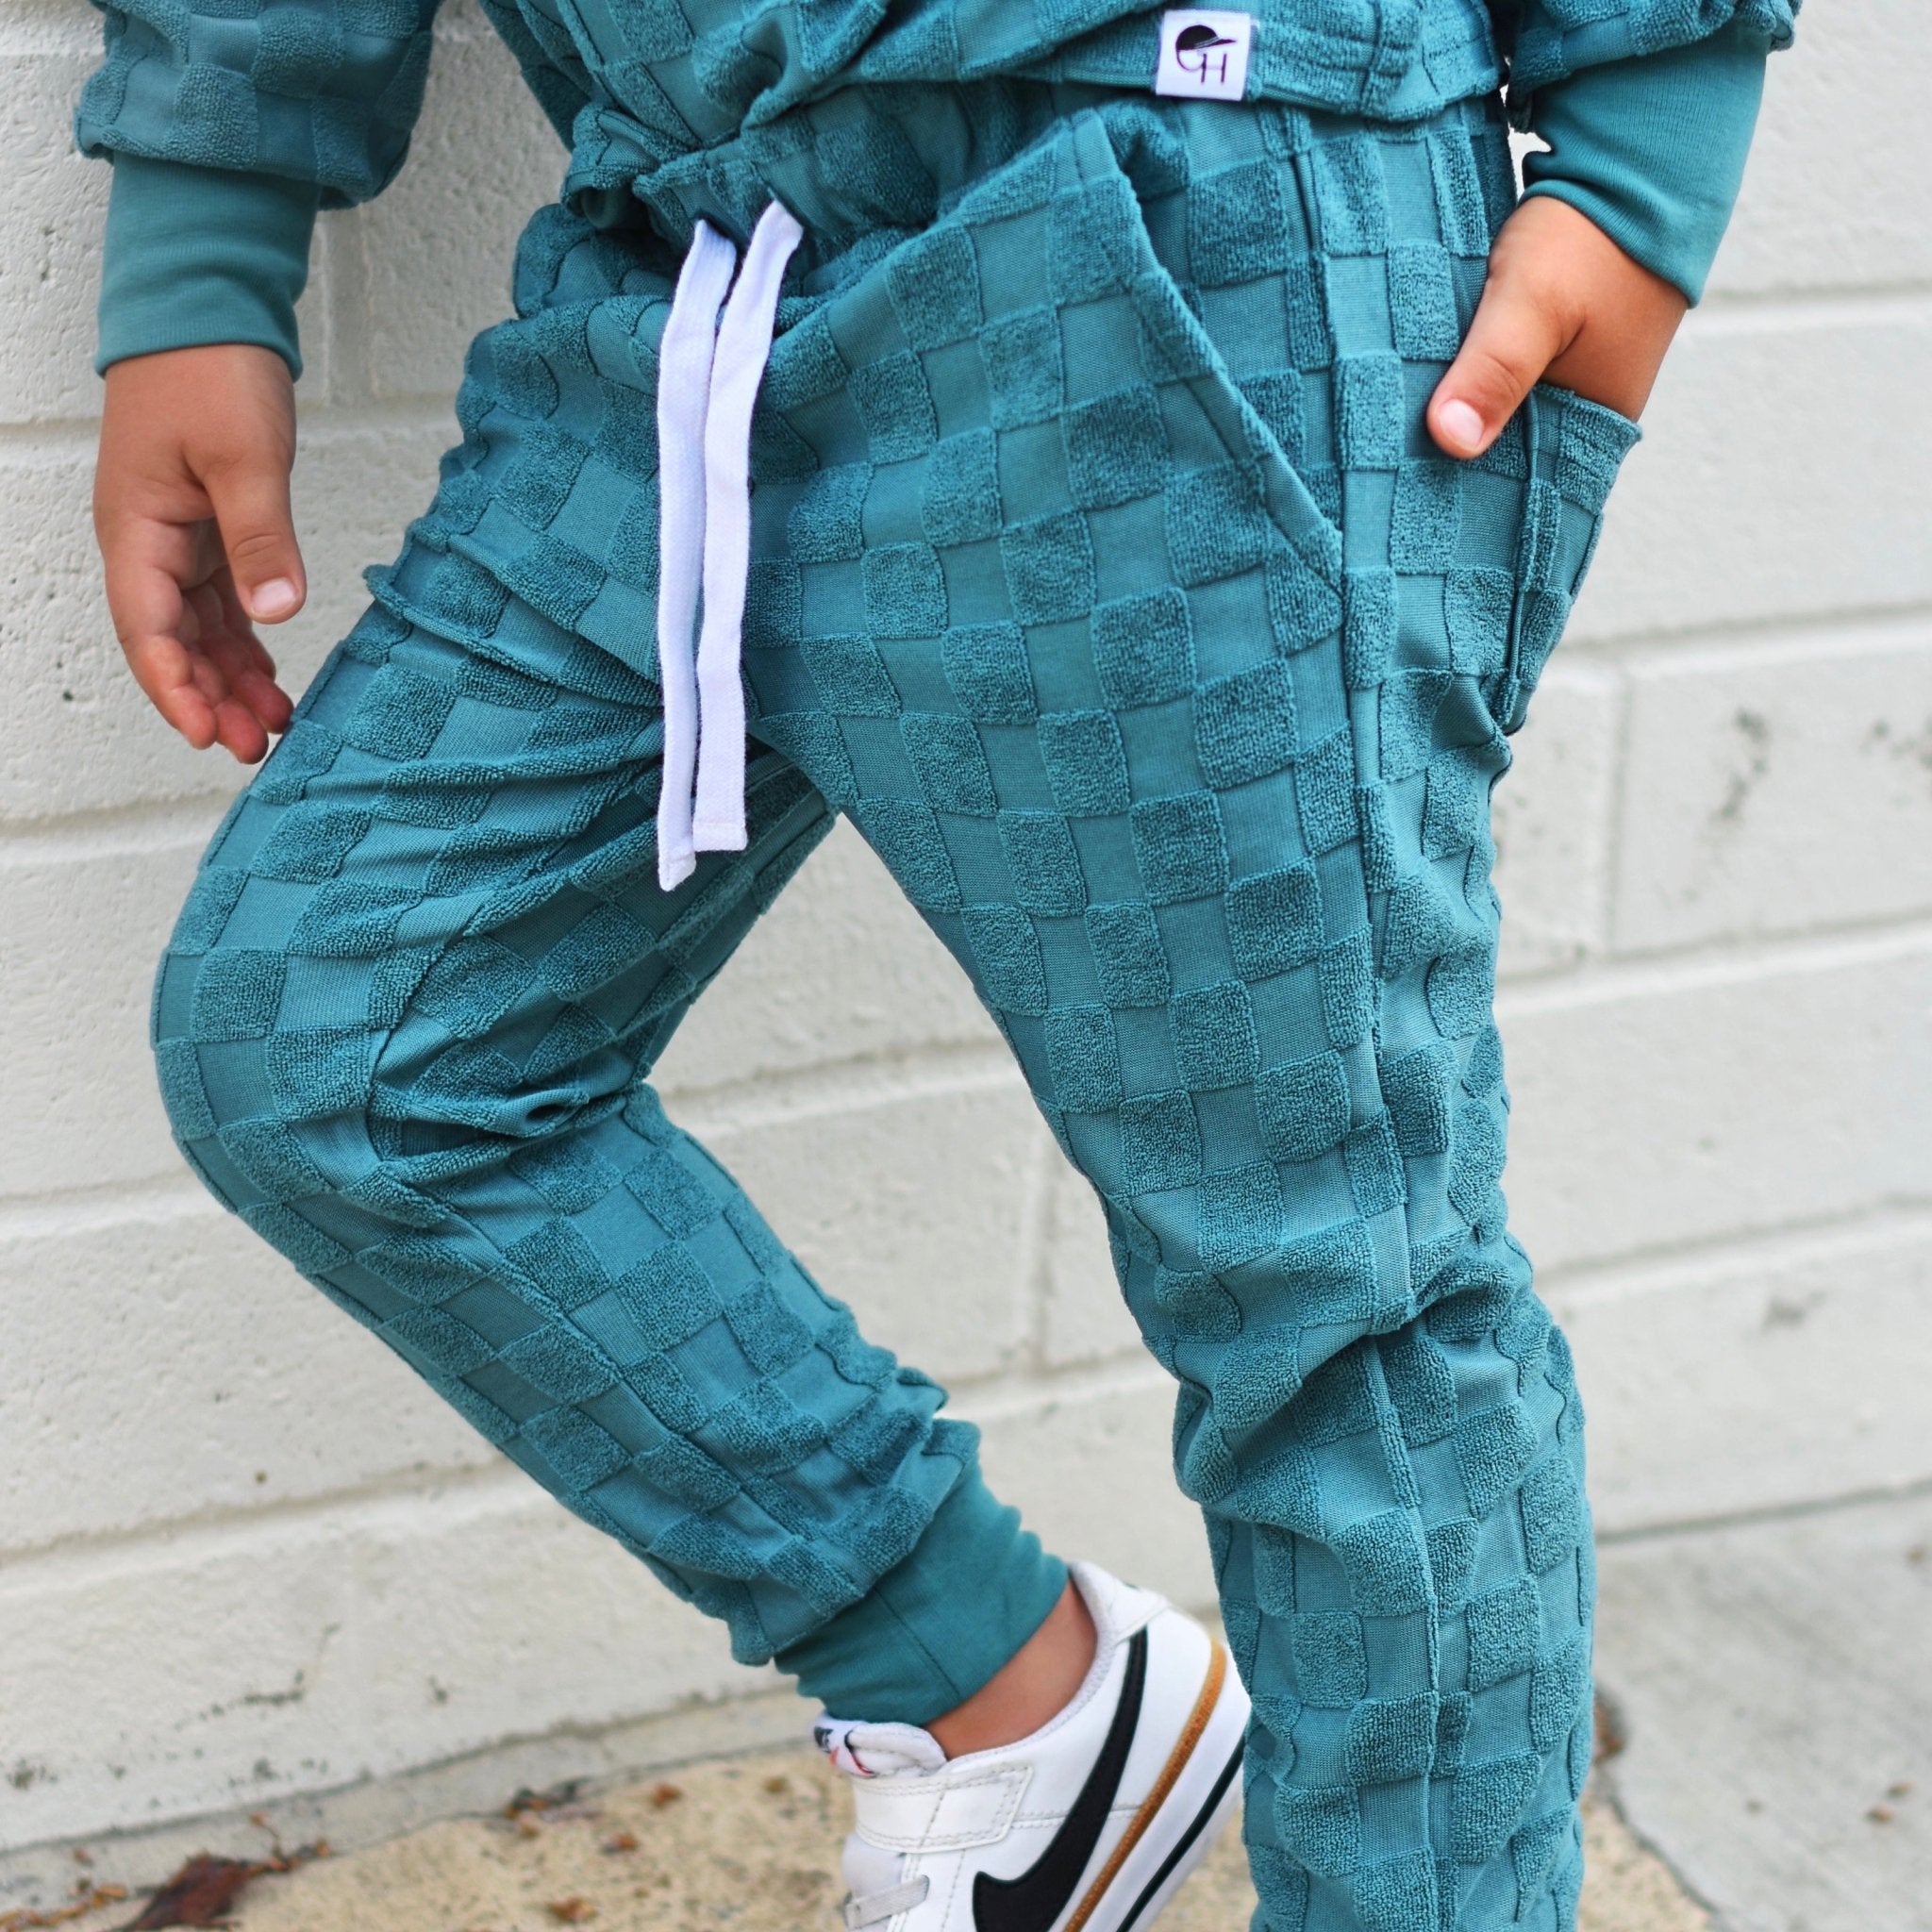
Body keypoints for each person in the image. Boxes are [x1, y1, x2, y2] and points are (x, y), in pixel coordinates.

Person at [76, 0, 1794, 1925]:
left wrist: (1645, 158)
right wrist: (205, 233)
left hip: (1176, 208)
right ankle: (1014, 1699)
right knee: (341, 1040)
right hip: (686, 260)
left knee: (1338, 1293)